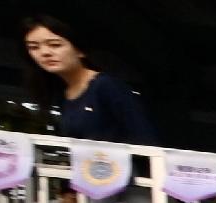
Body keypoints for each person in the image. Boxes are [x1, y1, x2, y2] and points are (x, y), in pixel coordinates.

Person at [24, 15, 159, 144]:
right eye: (34, 47)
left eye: (55, 44)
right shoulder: (62, 93)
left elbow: (146, 140)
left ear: (80, 50)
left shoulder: (105, 85)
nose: (44, 53)